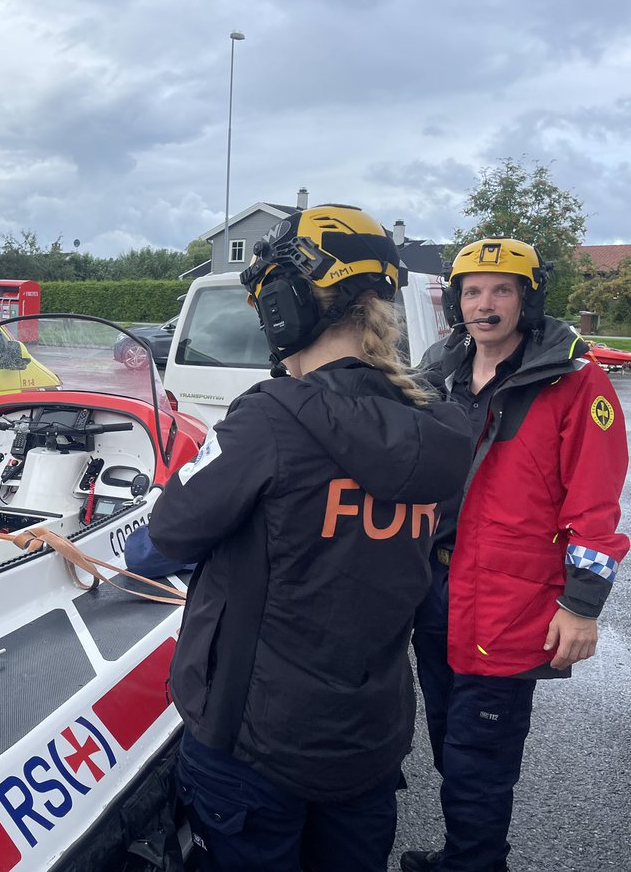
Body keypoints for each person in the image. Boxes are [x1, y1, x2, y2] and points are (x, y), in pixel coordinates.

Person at [149, 205, 474, 872]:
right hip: (366, 744)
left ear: (285, 308)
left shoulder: (268, 421)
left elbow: (171, 531)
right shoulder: (440, 435)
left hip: (254, 744)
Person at [400, 239, 629, 872]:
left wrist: (582, 608)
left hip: (509, 600)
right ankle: (463, 855)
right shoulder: (438, 370)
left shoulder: (575, 382)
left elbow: (596, 507)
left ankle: (476, 864)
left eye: (502, 289)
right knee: (447, 739)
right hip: (435, 589)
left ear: (527, 298)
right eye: (472, 291)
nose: (485, 304)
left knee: (481, 756)